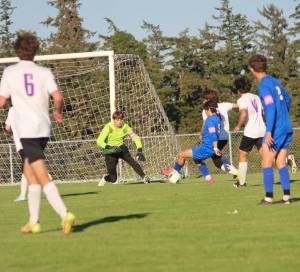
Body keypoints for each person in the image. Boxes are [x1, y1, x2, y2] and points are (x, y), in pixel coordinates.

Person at [0, 32, 75, 234]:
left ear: (17, 51)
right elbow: (58, 97)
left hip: (27, 130)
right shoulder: (44, 71)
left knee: (41, 175)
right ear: (35, 51)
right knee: (30, 174)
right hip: (43, 128)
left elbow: (1, 102)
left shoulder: (10, 72)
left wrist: (10, 101)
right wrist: (57, 113)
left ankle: (65, 213)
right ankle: (34, 221)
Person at [248, 54, 293, 204]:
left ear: (251, 69)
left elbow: (271, 107)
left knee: (266, 161)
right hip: (286, 125)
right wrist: (283, 114)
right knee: (281, 161)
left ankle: (268, 197)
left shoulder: (263, 85)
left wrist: (269, 131)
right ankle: (286, 197)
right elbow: (287, 99)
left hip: (277, 128)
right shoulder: (274, 81)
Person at [162, 100, 221, 182]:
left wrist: (215, 147)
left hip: (206, 148)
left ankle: (173, 172)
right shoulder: (217, 119)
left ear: (208, 109)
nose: (205, 112)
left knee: (182, 155)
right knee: (197, 159)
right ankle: (209, 178)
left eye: (205, 110)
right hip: (208, 147)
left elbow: (213, 135)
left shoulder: (209, 120)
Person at [96, 111, 150, 186]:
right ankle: (105, 178)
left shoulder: (125, 127)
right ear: (114, 120)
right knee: (113, 179)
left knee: (132, 162)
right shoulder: (108, 127)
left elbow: (135, 137)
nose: (119, 121)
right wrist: (109, 147)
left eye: (121, 119)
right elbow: (99, 141)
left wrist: (139, 149)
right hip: (109, 150)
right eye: (117, 120)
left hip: (121, 147)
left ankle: (144, 177)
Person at [232, 77, 266, 188]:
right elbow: (263, 112)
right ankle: (286, 160)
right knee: (266, 156)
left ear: (238, 89)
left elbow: (243, 113)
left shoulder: (242, 100)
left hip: (251, 132)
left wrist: (237, 126)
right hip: (262, 129)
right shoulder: (256, 97)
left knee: (242, 154)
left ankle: (242, 182)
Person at [199, 90, 239, 182]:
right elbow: (237, 105)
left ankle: (237, 173)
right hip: (225, 137)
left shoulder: (206, 110)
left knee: (216, 161)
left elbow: (205, 124)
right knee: (218, 156)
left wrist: (201, 134)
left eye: (204, 99)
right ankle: (235, 172)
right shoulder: (224, 105)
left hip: (215, 138)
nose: (203, 101)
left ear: (209, 99)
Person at [5, 107, 28, 202]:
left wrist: (12, 130)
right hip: (33, 141)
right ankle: (23, 195)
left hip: (21, 144)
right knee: (27, 168)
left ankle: (23, 195)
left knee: (27, 167)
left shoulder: (12, 110)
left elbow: (7, 127)